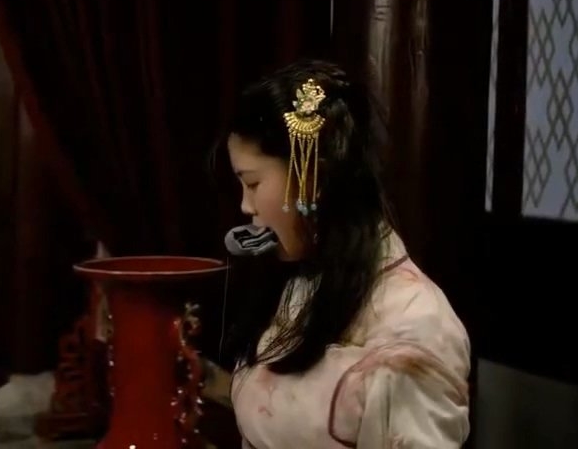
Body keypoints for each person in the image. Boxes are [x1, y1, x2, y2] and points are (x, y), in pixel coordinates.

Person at [201, 59, 470, 447]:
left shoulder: (417, 323)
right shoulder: (303, 283)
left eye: (253, 183)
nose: (246, 206)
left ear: (314, 178)